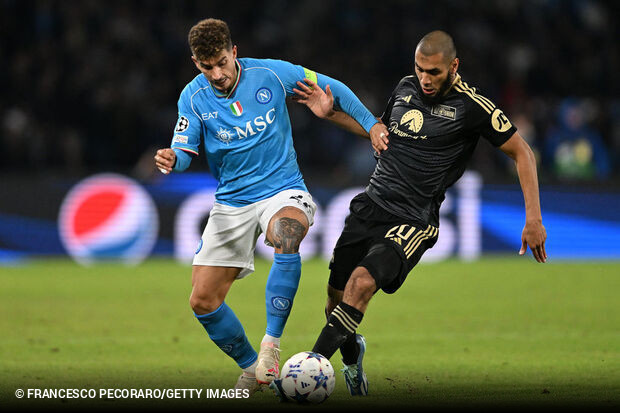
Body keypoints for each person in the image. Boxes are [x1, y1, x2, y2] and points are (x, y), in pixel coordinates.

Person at [279, 30, 547, 397]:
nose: (425, 78)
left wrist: (533, 219)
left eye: (434, 72)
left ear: (454, 66)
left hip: (412, 219)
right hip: (370, 205)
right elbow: (380, 129)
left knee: (361, 284)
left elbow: (523, 153)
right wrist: (331, 114)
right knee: (335, 303)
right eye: (420, 69)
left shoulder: (473, 107)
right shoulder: (405, 87)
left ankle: (305, 374)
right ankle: (352, 355)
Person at [153, 18, 387, 394]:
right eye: (206, 66)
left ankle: (271, 345)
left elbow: (334, 87)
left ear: (234, 52)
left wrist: (372, 124)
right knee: (202, 300)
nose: (216, 74)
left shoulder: (272, 74)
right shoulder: (193, 97)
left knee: (287, 233)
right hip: (231, 201)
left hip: (282, 189)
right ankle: (252, 369)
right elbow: (184, 150)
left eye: (221, 64)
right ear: (196, 63)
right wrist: (171, 159)